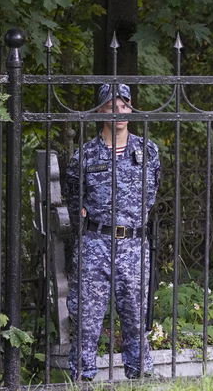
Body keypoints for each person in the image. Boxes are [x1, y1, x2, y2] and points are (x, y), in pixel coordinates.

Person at [65, 83, 160, 380]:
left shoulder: (148, 152)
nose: (117, 112)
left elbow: (152, 194)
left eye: (123, 106)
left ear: (130, 109)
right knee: (86, 317)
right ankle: (83, 377)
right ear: (100, 112)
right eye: (110, 107)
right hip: (95, 242)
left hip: (133, 243)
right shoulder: (85, 155)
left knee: (135, 314)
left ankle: (139, 375)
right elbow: (73, 197)